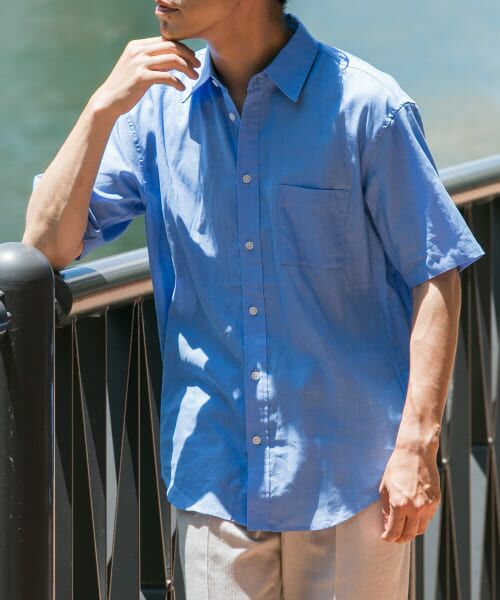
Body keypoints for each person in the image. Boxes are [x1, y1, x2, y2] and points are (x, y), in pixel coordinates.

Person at [22, 1, 485, 598]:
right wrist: (101, 107)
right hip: (216, 479)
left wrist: (417, 447)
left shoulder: (368, 107)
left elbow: (436, 273)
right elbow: (45, 244)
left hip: (353, 480)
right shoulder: (155, 110)